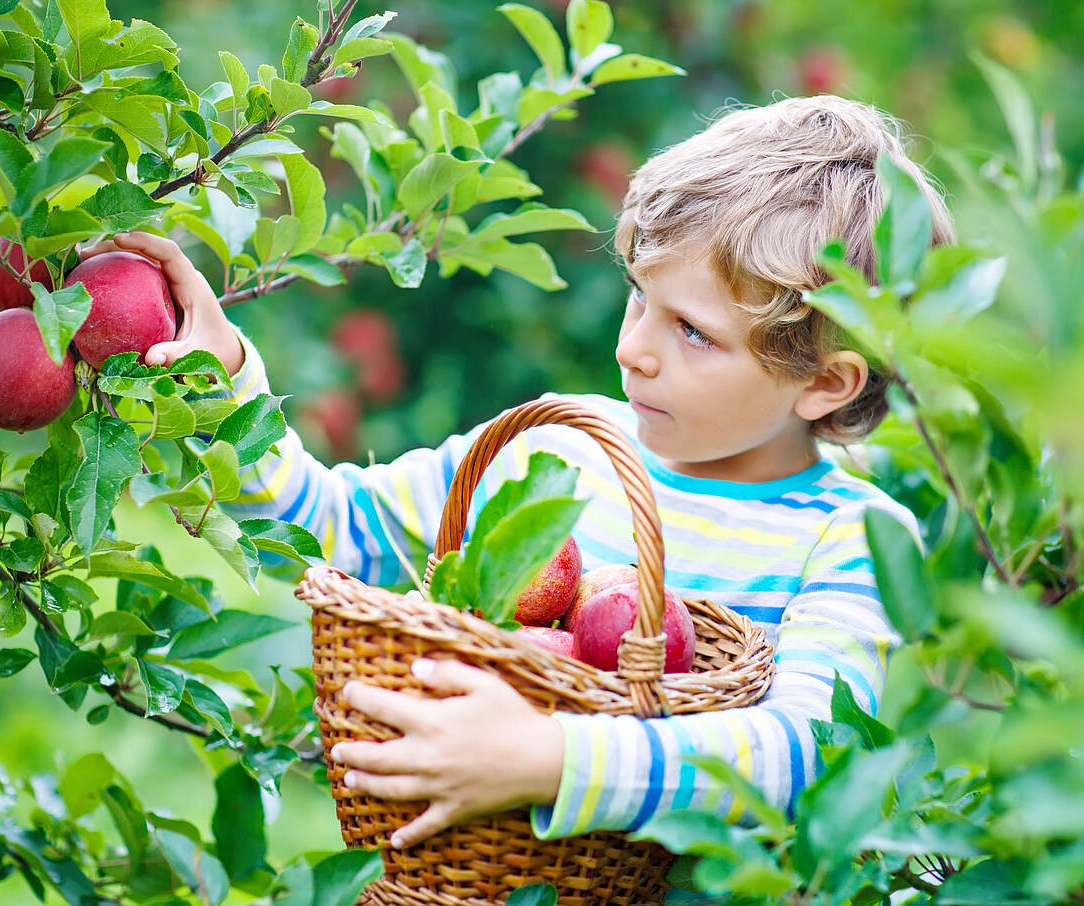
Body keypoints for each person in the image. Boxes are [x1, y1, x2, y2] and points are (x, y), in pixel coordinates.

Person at [85, 94, 954, 871]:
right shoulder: (557, 454)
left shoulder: (850, 538)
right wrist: (224, 379)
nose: (632, 348)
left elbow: (801, 755)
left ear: (825, 383)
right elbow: (328, 529)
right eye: (638, 298)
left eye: (691, 331)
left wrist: (550, 760)